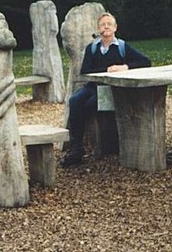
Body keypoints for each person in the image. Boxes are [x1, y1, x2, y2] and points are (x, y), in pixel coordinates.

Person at [61, 12, 152, 167]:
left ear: (115, 28)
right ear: (99, 28)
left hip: (111, 89)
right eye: (103, 24)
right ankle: (76, 149)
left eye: (109, 24)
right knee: (74, 100)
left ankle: (91, 146)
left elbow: (146, 62)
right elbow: (85, 71)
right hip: (93, 87)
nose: (106, 26)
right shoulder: (92, 48)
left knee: (89, 105)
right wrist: (107, 69)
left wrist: (125, 67)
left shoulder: (122, 47)